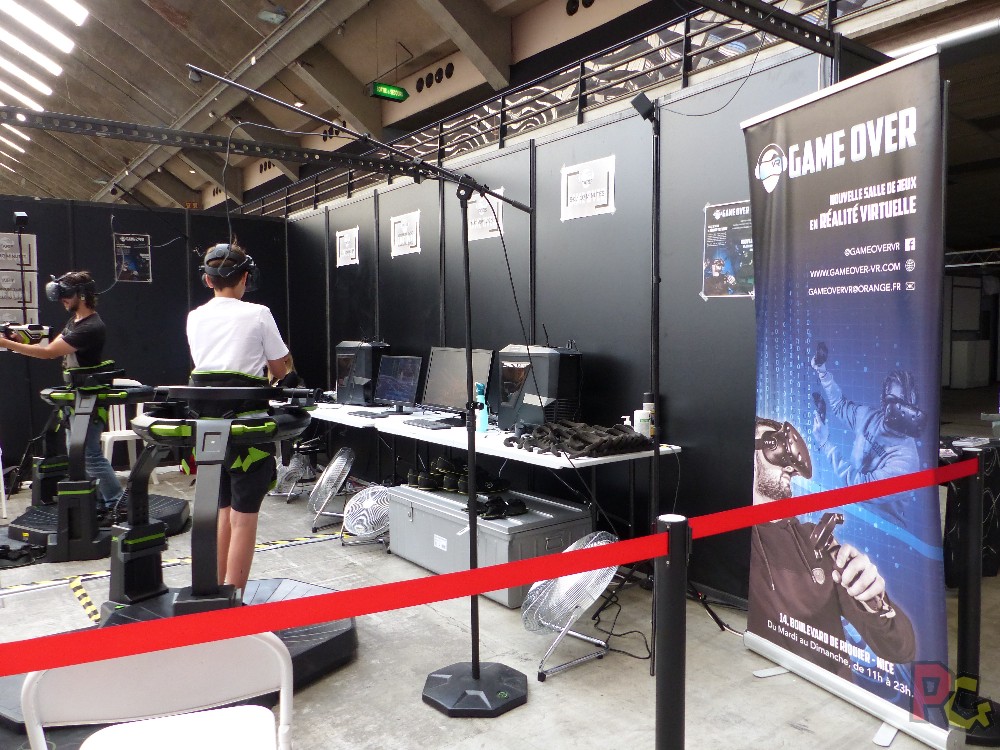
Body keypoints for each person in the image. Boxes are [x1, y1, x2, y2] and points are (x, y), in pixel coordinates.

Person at [748, 417, 916, 680]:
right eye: (775, 447)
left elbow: (901, 648)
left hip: (825, 690)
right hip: (756, 676)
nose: (790, 467)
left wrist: (875, 603)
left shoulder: (817, 541)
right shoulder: (732, 535)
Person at [186, 243, 291, 596]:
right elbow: (281, 368)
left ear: (207, 280)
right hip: (249, 432)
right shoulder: (259, 314)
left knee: (223, 509)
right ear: (246, 277)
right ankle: (234, 604)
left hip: (209, 433)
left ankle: (217, 593)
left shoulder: (194, 317)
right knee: (244, 516)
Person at [0, 271, 125, 524]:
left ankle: (117, 503)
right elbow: (51, 344)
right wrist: (18, 339)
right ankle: (101, 502)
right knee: (77, 452)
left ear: (82, 295)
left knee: (89, 454)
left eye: (66, 295)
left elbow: (48, 353)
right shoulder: (75, 322)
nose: (62, 300)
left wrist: (6, 344)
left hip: (88, 400)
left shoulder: (90, 327)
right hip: (76, 399)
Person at [810, 342, 924, 522]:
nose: (902, 409)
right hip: (851, 512)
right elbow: (840, 406)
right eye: (894, 401)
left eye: (906, 402)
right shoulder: (869, 417)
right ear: (884, 402)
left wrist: (825, 444)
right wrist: (823, 373)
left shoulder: (907, 460)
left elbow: (861, 489)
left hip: (882, 528)